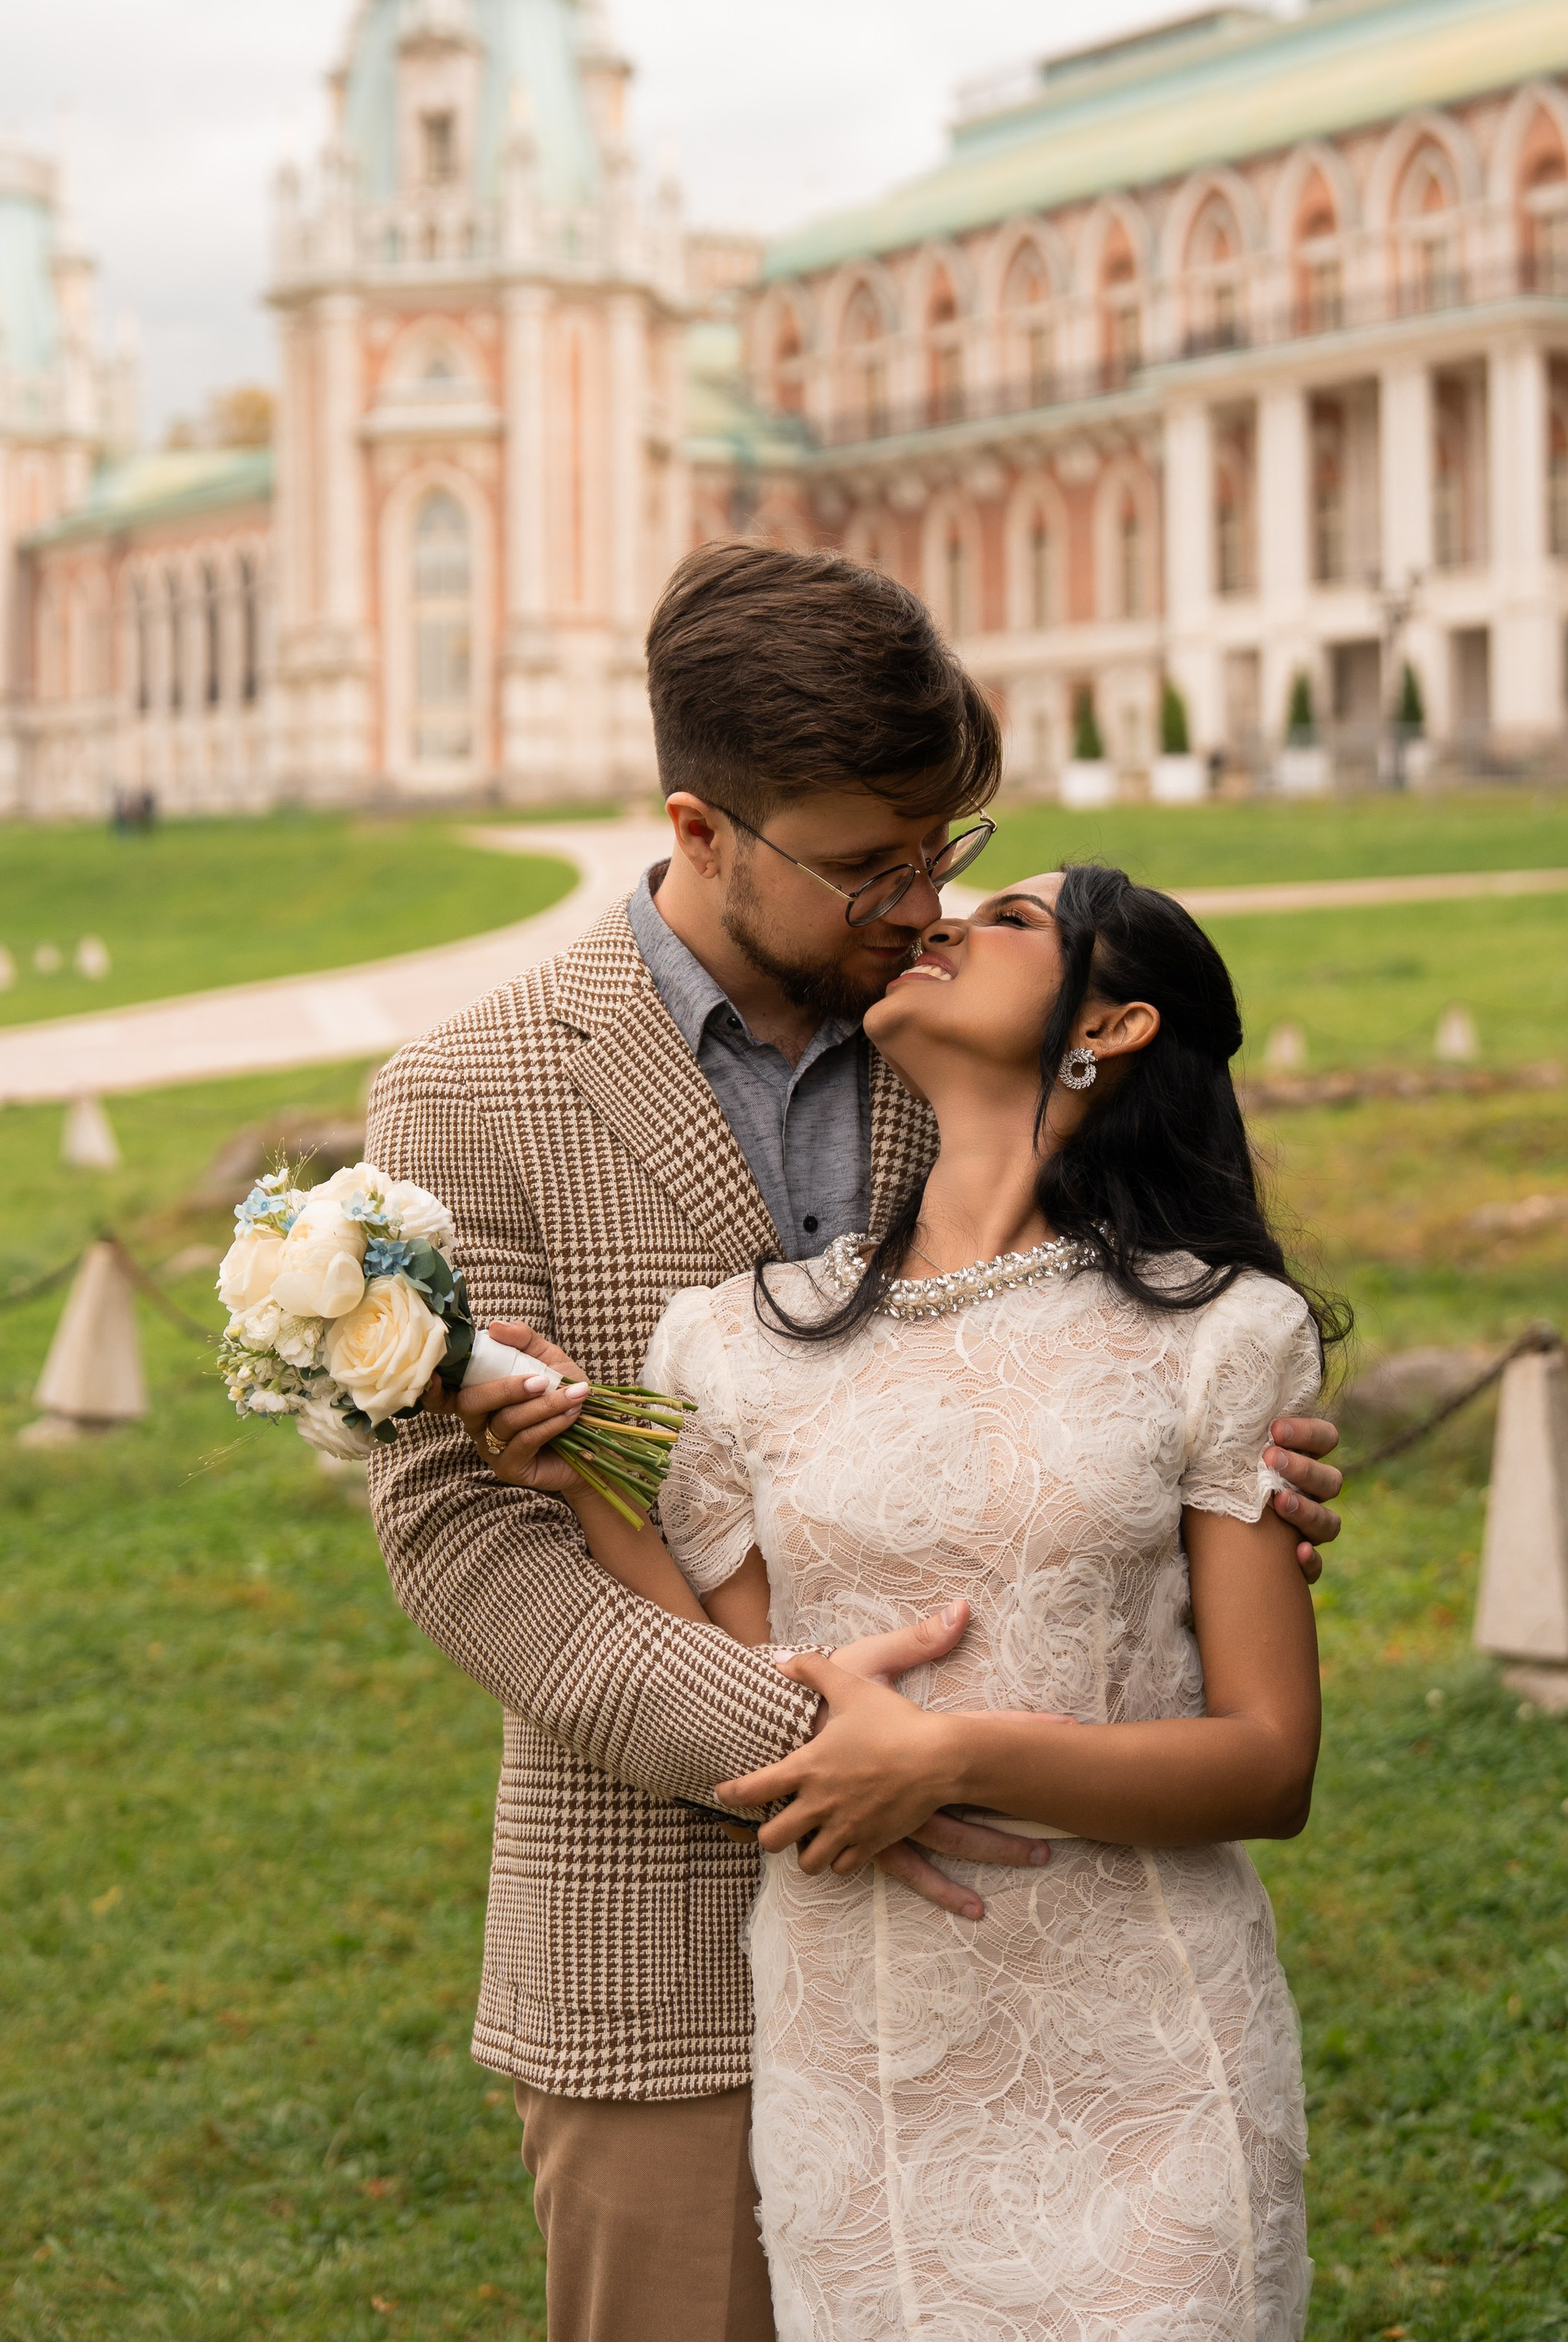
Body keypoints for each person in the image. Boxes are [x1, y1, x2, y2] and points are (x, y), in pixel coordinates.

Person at [362, 545, 1344, 2342]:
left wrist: (1220, 1483)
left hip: (1060, 1968)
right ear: (702, 824)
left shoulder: (950, 1031)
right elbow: (466, 1542)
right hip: (656, 1944)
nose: (917, 902)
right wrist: (835, 1748)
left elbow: (1125, 1334)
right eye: (870, 862)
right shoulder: (474, 1088)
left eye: (945, 849)